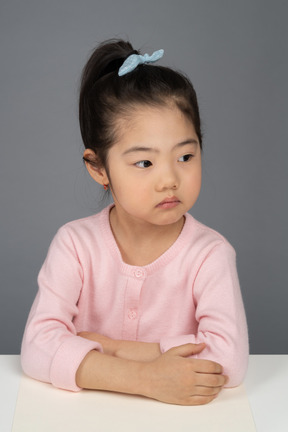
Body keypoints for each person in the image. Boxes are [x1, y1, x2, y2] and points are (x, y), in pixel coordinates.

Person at [21, 39, 249, 406]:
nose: (170, 179)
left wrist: (113, 348)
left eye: (186, 156)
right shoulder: (75, 245)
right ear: (98, 168)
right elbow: (35, 347)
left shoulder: (211, 254)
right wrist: (145, 377)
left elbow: (230, 362)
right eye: (145, 163)